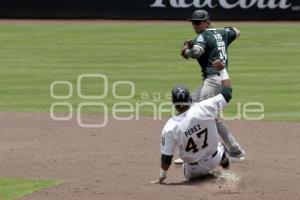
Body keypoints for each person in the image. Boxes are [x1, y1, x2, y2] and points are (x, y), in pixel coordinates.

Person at [179, 10, 245, 162]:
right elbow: (237, 31)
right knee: (198, 111)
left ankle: (206, 152)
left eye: (197, 22)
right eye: (193, 22)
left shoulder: (202, 36)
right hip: (220, 79)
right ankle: (233, 150)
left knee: (200, 114)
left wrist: (185, 50)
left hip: (212, 81)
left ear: (207, 22)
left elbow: (196, 52)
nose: (194, 25)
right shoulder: (222, 33)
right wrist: (222, 35)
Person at [151, 85, 231, 184]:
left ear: (173, 102)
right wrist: (222, 70)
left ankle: (204, 179)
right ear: (189, 98)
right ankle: (227, 172)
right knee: (222, 147)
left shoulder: (169, 127)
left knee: (186, 165)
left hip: (194, 170)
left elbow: (166, 157)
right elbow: (227, 93)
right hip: (215, 158)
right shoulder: (205, 107)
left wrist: (161, 177)